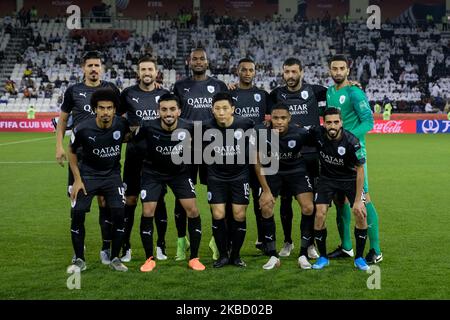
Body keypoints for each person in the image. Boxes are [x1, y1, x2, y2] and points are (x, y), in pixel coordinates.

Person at [55, 51, 120, 265]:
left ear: (102, 68)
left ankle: (105, 247)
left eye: (97, 65)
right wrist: (59, 146)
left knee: (105, 204)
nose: (94, 69)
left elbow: (123, 113)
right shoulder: (73, 90)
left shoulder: (111, 89)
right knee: (76, 203)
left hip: (105, 158)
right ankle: (78, 249)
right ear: (83, 68)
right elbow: (63, 120)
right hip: (80, 158)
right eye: (90, 65)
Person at [134, 93, 205, 272]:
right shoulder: (147, 127)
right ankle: (149, 258)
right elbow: (135, 146)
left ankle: (194, 257)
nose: (168, 113)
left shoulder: (189, 127)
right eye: (164, 109)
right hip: (153, 174)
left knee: (193, 209)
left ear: (179, 111)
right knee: (148, 210)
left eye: (172, 109)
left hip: (179, 173)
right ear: (159, 111)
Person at [325, 54, 382, 264]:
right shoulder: (330, 92)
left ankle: (375, 250)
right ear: (329, 70)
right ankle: (347, 247)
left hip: (355, 153)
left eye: (342, 68)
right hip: (335, 155)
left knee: (364, 200)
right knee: (340, 201)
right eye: (334, 68)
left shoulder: (355, 92)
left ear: (348, 70)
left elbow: (368, 122)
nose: (338, 72)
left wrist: (347, 139)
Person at [66, 88, 130, 273]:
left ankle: (115, 258)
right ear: (95, 109)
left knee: (119, 214)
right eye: (101, 108)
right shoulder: (82, 128)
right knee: (77, 214)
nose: (105, 112)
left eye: (109, 108)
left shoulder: (121, 124)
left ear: (114, 109)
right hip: (88, 177)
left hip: (112, 177)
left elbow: (130, 136)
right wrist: (77, 180)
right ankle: (79, 259)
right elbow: (71, 151)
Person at [173, 47, 228, 260]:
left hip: (212, 148)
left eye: (201, 59)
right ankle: (181, 241)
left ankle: (216, 240)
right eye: (194, 59)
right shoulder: (179, 86)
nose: (198, 62)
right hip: (186, 148)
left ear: (207, 62)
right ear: (189, 62)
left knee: (217, 196)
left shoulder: (219, 86)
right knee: (182, 197)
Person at [268, 57, 325, 259]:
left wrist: (351, 84)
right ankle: (287, 242)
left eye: (294, 72)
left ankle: (309, 244)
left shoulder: (316, 91)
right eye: (286, 72)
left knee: (310, 204)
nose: (290, 76)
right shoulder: (275, 95)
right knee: (285, 202)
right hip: (286, 157)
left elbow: (336, 93)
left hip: (311, 156)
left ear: (302, 71)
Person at [118, 55, 170, 262]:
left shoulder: (165, 94)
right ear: (138, 72)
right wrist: (126, 134)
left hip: (158, 159)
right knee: (129, 201)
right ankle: (126, 247)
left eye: (150, 69)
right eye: (143, 70)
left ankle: (161, 246)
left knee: (158, 202)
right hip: (134, 158)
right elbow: (117, 121)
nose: (147, 73)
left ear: (156, 72)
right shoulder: (128, 94)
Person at [254, 104, 315, 270]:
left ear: (289, 118)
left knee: (309, 207)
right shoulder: (263, 134)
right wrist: (266, 191)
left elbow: (318, 145)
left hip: (297, 170)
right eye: (275, 118)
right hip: (273, 171)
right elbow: (258, 162)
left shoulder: (301, 133)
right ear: (270, 119)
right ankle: (273, 255)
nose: (279, 122)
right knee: (265, 206)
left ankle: (304, 252)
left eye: (283, 118)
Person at [308, 107, 369, 271]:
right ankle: (322, 257)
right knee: (319, 214)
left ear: (341, 122)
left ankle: (360, 258)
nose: (332, 126)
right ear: (324, 123)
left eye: (336, 122)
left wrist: (357, 201)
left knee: (360, 214)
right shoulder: (318, 134)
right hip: (327, 179)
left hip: (349, 179)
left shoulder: (351, 141)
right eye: (329, 122)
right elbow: (300, 129)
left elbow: (360, 169)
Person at [204, 92, 254, 268]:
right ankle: (223, 255)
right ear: (212, 110)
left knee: (239, 215)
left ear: (233, 109)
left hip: (240, 176)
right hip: (216, 177)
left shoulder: (245, 124)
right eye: (217, 108)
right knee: (218, 214)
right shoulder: (205, 127)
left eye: (225, 108)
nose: (221, 112)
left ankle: (236, 255)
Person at [229, 58, 269, 254]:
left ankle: (263, 239)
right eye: (243, 69)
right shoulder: (230, 94)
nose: (247, 73)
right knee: (233, 200)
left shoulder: (262, 95)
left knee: (260, 198)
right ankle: (229, 240)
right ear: (237, 71)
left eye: (250, 70)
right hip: (235, 154)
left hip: (259, 152)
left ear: (255, 72)